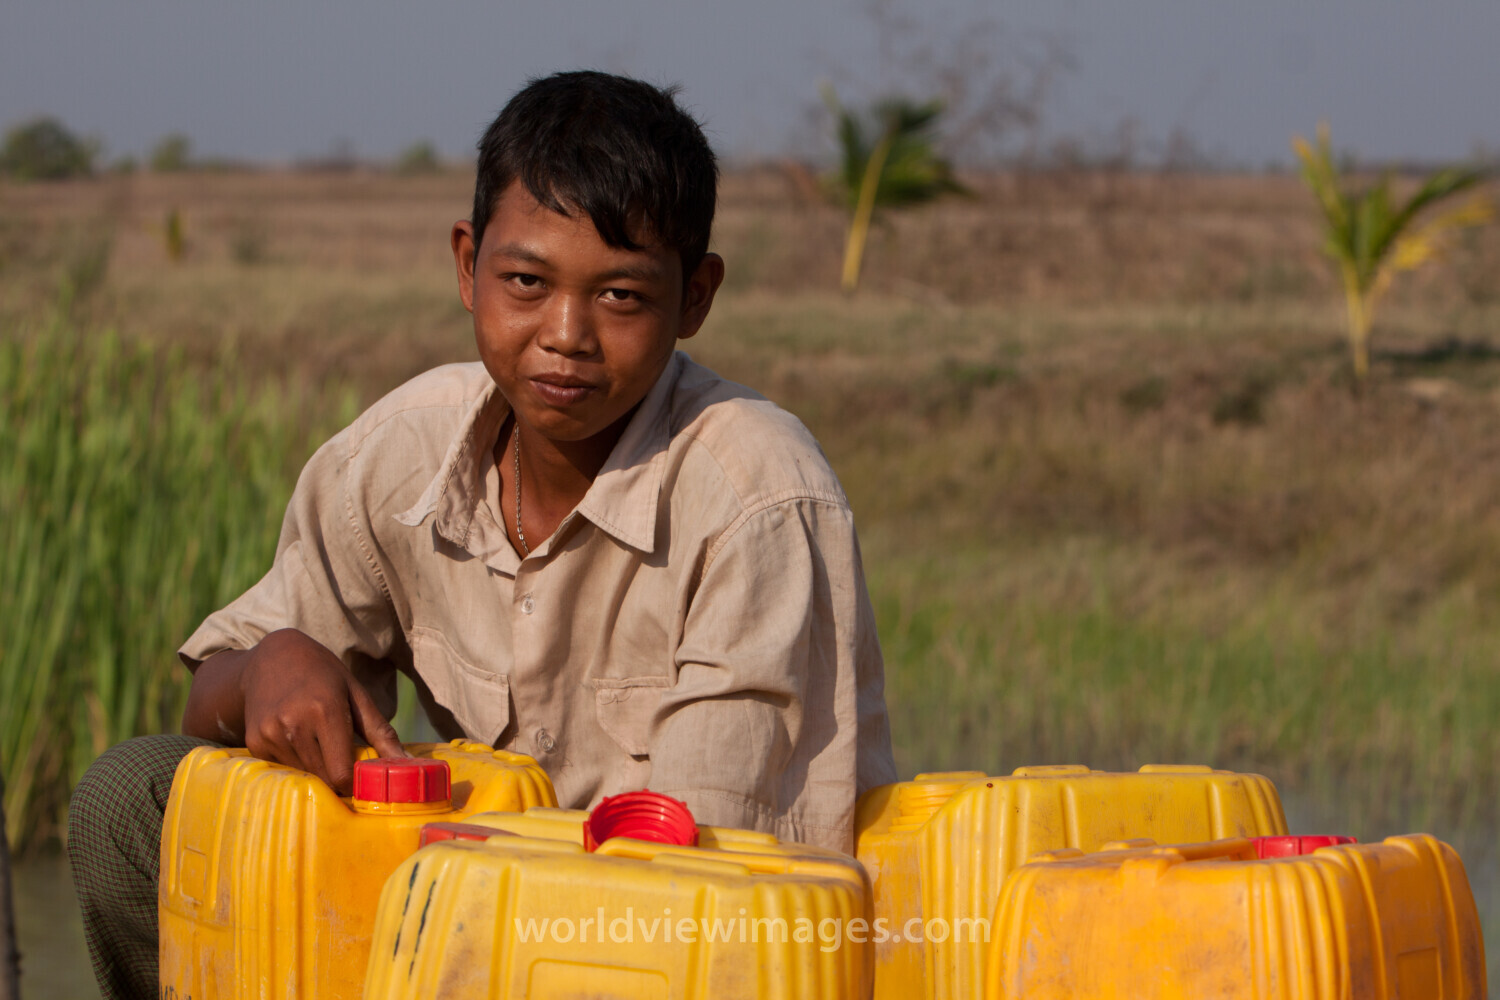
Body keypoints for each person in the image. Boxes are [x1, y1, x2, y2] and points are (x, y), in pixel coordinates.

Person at [69, 69, 896, 1000]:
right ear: (468, 266)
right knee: (135, 796)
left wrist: (467, 903)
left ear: (695, 297)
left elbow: (698, 891)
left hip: (658, 948)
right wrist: (274, 661)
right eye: (527, 282)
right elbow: (212, 704)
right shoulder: (400, 453)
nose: (567, 335)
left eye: (622, 297)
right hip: (467, 912)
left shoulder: (756, 496)